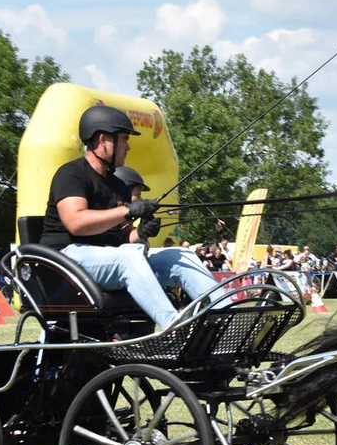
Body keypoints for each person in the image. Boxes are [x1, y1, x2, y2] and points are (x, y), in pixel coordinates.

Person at [40, 104, 221, 329]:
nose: (128, 147)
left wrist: (140, 232)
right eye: (124, 139)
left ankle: (228, 317)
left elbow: (121, 236)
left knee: (182, 256)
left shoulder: (117, 185)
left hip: (107, 257)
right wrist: (128, 211)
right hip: (66, 261)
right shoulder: (71, 173)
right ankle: (174, 329)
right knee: (128, 259)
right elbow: (76, 223)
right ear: (103, 140)